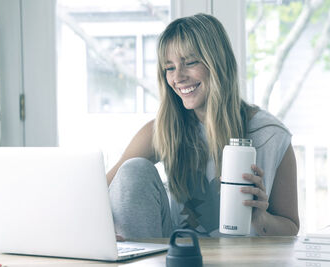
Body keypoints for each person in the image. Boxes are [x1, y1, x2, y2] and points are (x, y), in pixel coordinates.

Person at [106, 13, 299, 239]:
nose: (178, 77)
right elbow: (100, 192)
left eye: (190, 62)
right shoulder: (164, 129)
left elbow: (291, 228)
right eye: (169, 67)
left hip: (242, 260)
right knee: (132, 170)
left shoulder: (270, 135)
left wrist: (260, 218)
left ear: (218, 63)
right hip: (180, 256)